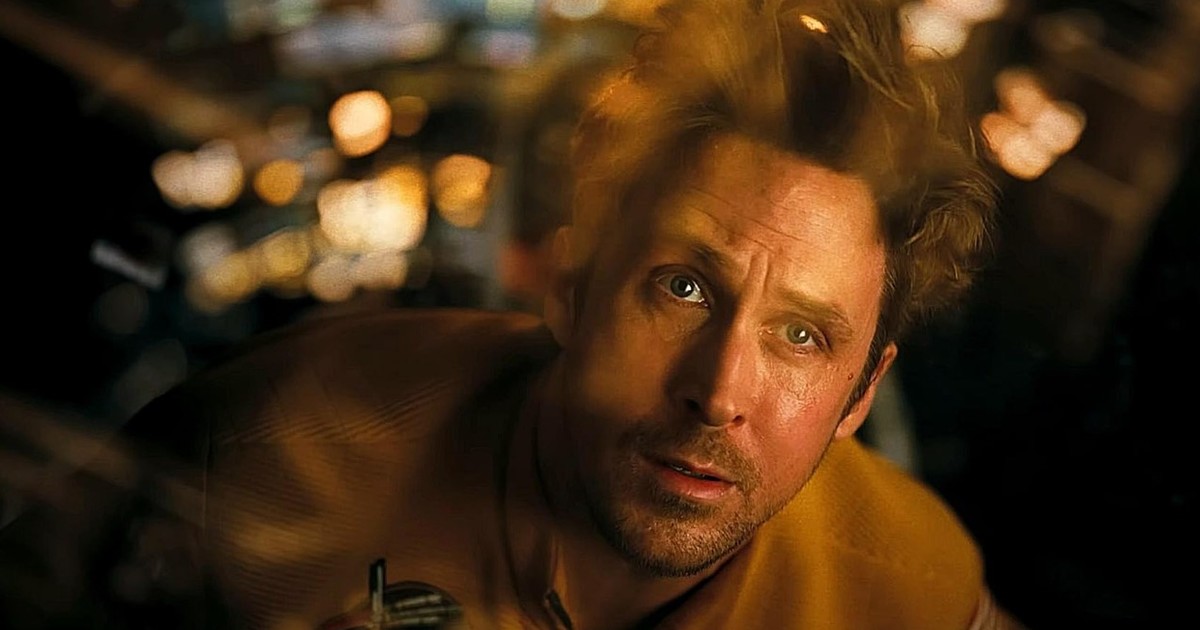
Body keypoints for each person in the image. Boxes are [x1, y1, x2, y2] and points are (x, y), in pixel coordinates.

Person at [0, 0, 1026, 628]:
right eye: (682, 288)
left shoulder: (914, 590)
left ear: (862, 394)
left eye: (801, 337)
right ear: (571, 290)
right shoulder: (264, 457)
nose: (719, 392)